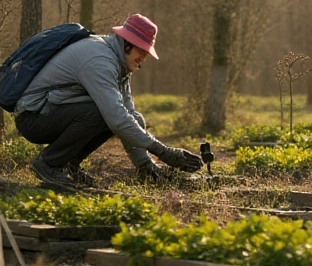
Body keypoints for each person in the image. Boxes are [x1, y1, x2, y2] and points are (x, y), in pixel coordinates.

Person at [13, 14, 202, 188]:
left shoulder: (120, 64)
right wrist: (164, 152)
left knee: (121, 116)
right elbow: (117, 118)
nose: (144, 58)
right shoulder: (100, 61)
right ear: (127, 42)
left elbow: (130, 115)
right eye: (142, 50)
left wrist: (145, 163)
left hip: (55, 112)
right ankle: (48, 164)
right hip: (33, 118)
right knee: (102, 114)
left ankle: (69, 162)